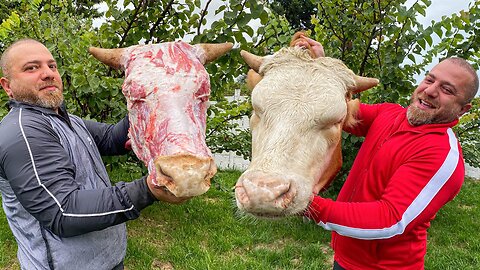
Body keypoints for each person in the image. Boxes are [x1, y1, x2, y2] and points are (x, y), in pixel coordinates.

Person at [0, 38, 186, 270]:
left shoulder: (67, 121)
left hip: (105, 260)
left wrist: (150, 98)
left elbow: (111, 139)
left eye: (52, 66)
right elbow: (63, 211)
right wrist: (148, 189)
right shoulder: (22, 132)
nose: (48, 73)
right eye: (32, 67)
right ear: (7, 86)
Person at [301, 37, 479, 269]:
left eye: (447, 90)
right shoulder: (390, 114)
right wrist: (320, 64)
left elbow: (389, 220)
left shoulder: (441, 156)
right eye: (429, 79)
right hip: (346, 258)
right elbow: (337, 111)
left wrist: (308, 204)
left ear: (464, 109)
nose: (431, 91)